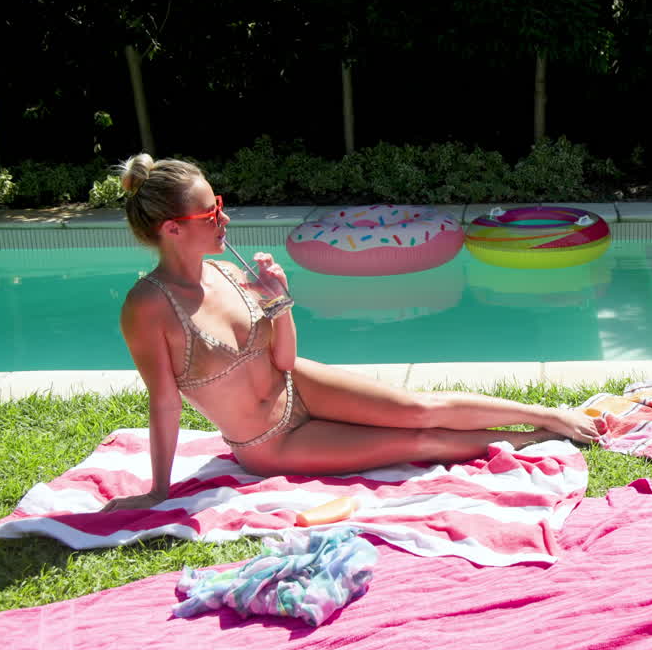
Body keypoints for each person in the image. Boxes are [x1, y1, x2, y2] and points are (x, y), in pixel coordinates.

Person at [101, 154, 600, 513]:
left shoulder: (227, 273)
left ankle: (547, 415)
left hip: (299, 384)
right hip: (268, 441)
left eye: (220, 205)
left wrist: (280, 302)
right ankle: (530, 439)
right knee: (418, 441)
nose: (225, 219)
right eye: (211, 213)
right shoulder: (148, 306)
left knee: (417, 408)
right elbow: (164, 403)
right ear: (172, 229)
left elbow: (283, 359)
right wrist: (159, 491)